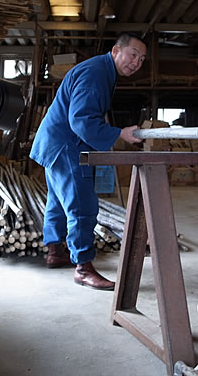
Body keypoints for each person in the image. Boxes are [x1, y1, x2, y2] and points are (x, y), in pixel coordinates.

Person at [30, 33, 146, 291]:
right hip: (67, 145)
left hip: (56, 142)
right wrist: (119, 134)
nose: (136, 62)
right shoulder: (95, 74)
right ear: (116, 50)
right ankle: (83, 268)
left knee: (58, 201)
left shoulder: (101, 70)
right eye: (133, 55)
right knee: (82, 205)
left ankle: (55, 251)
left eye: (142, 59)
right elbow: (81, 120)